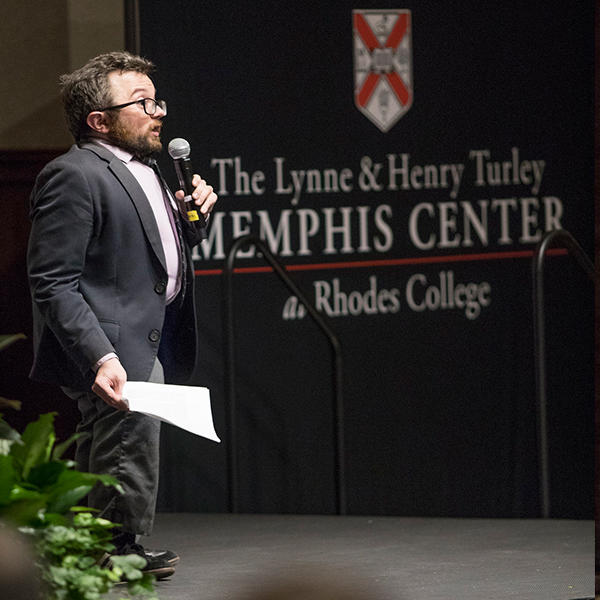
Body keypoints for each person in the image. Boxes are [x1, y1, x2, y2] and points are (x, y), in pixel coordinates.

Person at [26, 51, 217, 579]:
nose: (157, 111)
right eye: (142, 101)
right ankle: (109, 548)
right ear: (99, 121)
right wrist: (99, 354)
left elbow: (150, 254)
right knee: (123, 438)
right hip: (110, 341)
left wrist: (192, 223)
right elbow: (52, 280)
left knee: (116, 441)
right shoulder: (73, 174)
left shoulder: (149, 170)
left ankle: (100, 545)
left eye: (157, 100)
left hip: (147, 332)